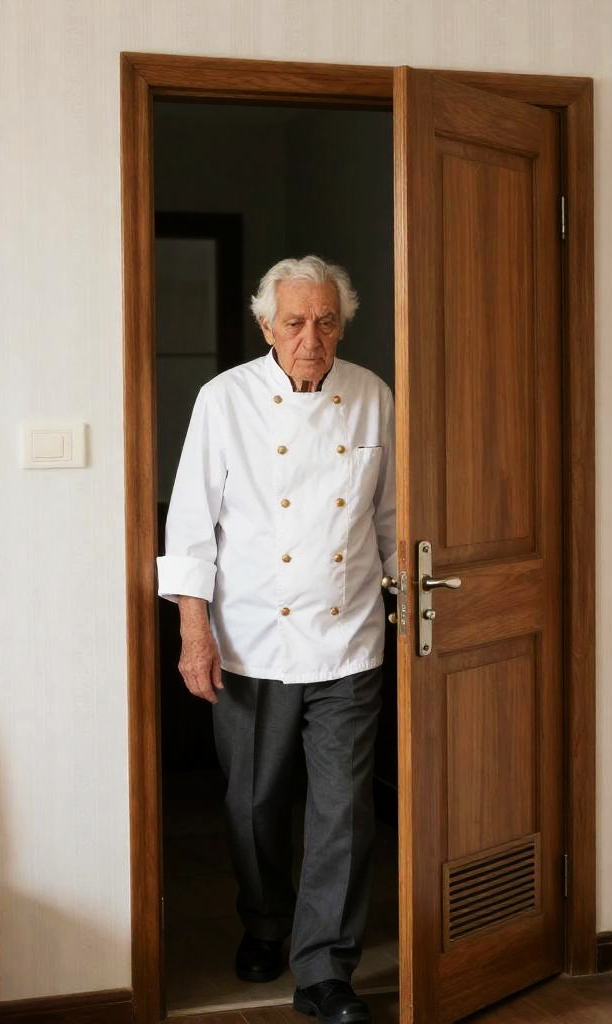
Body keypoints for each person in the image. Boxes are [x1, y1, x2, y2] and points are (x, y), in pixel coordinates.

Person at [157, 255, 395, 1024]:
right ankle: (264, 921)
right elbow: (190, 527)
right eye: (294, 322)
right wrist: (194, 632)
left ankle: (325, 969)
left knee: (344, 811)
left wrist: (421, 605)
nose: (310, 338)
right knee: (254, 803)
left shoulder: (373, 396)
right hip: (250, 640)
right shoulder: (223, 400)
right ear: (266, 326)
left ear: (342, 325)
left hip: (347, 637)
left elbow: (392, 519)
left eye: (326, 322)